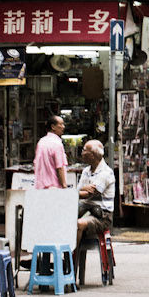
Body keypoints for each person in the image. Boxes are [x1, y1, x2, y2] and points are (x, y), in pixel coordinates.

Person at [74, 138, 115, 287]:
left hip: (101, 215)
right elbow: (80, 191)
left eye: (85, 150)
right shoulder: (86, 171)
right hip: (86, 209)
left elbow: (89, 193)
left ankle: (71, 267)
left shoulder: (106, 173)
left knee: (78, 224)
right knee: (63, 218)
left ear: (94, 155)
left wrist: (80, 190)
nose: (82, 153)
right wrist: (81, 189)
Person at [33, 113, 68, 190]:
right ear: (53, 127)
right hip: (53, 187)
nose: (63, 127)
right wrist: (64, 186)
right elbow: (59, 168)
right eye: (61, 124)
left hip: (40, 187)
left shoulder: (41, 142)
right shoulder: (57, 144)